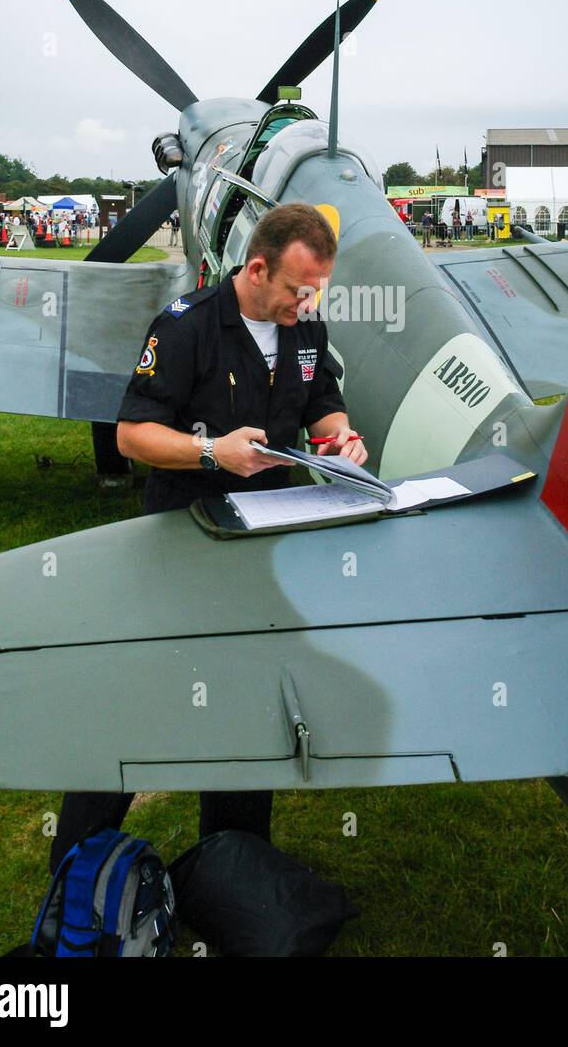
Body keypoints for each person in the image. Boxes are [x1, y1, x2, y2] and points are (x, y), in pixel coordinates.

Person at [49, 202, 366, 874]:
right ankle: (77, 860)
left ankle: (234, 863)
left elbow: (319, 399)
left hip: (265, 540)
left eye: (316, 293)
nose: (306, 304)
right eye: (295, 290)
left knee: (247, 699)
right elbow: (133, 435)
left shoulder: (304, 322)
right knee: (141, 695)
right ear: (256, 268)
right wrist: (210, 452)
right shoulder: (186, 326)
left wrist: (338, 435)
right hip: (182, 535)